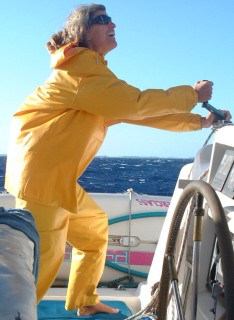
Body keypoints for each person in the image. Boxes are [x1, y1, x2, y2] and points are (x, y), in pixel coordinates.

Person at [5, 3, 231, 317]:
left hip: (56, 179)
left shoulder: (90, 72)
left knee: (95, 229)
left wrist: (197, 122)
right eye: (103, 19)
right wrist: (191, 94)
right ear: (83, 31)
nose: (113, 24)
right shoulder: (80, 73)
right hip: (43, 182)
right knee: (42, 264)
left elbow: (134, 112)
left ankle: (84, 300)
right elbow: (135, 104)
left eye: (111, 18)